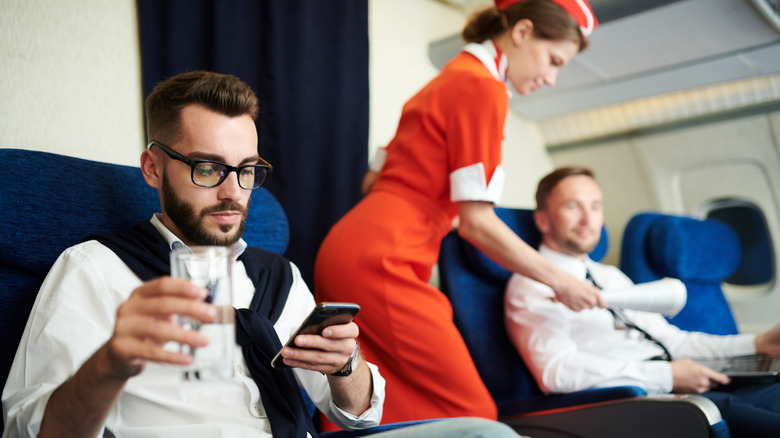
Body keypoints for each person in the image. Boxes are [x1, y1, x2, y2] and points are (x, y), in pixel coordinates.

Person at [2, 71, 521, 438]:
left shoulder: (280, 277)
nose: (233, 192)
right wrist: (110, 363)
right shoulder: (92, 269)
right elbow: (29, 431)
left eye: (246, 170)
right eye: (208, 168)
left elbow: (356, 415)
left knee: (484, 433)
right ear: (153, 169)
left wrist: (347, 368)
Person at [314, 0, 604, 425]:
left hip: (351, 245)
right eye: (553, 60)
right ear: (522, 33)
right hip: (385, 260)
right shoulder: (484, 88)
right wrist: (560, 279)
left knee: (369, 407)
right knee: (473, 416)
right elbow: (477, 222)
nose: (551, 77)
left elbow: (371, 184)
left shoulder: (445, 80)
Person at [504, 166, 780, 438]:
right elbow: (557, 372)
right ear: (542, 221)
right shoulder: (531, 285)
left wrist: (757, 344)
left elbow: (673, 341)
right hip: (644, 402)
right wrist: (666, 375)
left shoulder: (608, 276)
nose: (588, 219)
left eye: (596, 206)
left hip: (687, 384)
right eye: (573, 207)